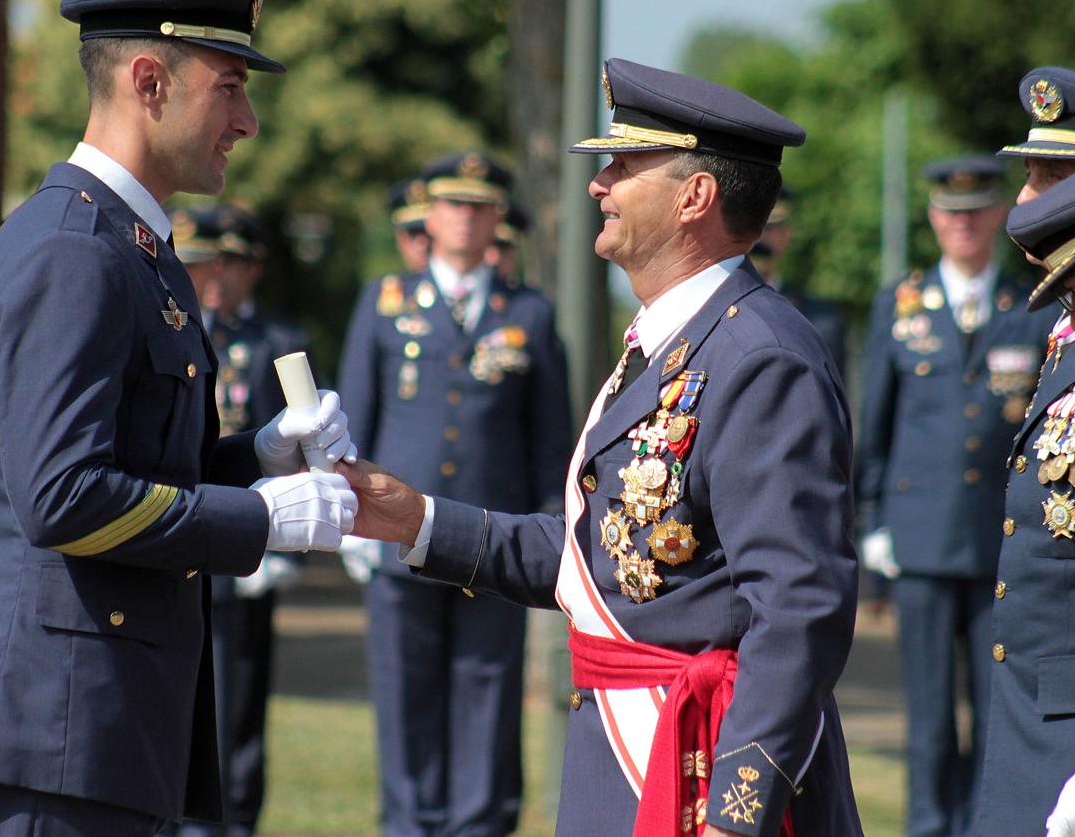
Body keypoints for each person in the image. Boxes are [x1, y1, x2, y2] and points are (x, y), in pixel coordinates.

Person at [0, 0, 359, 835]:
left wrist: (259, 458)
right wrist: (261, 522)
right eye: (230, 86)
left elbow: (136, 466)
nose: (247, 122)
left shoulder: (129, 246)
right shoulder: (77, 252)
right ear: (149, 82)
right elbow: (60, 496)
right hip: (45, 735)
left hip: (89, 731)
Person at [343, 58, 862, 837]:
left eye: (623, 165)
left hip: (695, 769)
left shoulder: (759, 356)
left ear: (694, 197)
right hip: (634, 756)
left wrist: (736, 810)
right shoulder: (672, 341)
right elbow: (606, 558)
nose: (599, 184)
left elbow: (799, 606)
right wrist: (413, 521)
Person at [338, 151, 571, 836]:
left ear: (500, 219)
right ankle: (410, 824)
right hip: (392, 534)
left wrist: (548, 529)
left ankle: (478, 825)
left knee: (488, 692)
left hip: (490, 540)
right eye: (453, 205)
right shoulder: (385, 302)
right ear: (428, 216)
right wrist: (351, 521)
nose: (465, 219)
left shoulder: (529, 310)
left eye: (479, 207)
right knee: (404, 693)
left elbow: (550, 437)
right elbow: (354, 420)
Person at [856, 154, 1053, 836]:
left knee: (998, 711)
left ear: (999, 217)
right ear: (934, 219)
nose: (963, 226)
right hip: (921, 538)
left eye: (976, 213)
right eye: (950, 213)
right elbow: (874, 428)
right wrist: (872, 521)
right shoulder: (901, 305)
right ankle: (928, 826)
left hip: (1003, 541)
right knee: (929, 717)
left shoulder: (1031, 306)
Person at [972, 67, 1075, 837]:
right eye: (1029, 176)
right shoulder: (1065, 335)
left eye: (1055, 179)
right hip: (1032, 703)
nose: (1028, 201)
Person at [171, 205, 309, 837]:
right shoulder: (176, 328)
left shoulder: (273, 341)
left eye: (229, 264)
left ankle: (234, 822)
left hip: (247, 542)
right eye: (203, 264)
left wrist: (281, 548)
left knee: (238, 708)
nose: (216, 278)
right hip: (176, 539)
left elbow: (297, 446)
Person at [749, 186, 848, 377]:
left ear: (786, 235)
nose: (759, 239)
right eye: (751, 227)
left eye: (769, 228)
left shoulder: (822, 322)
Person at [389, 178, 431, 274]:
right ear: (400, 240)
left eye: (429, 232)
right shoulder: (382, 288)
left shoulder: (463, 287)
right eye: (413, 234)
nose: (423, 243)